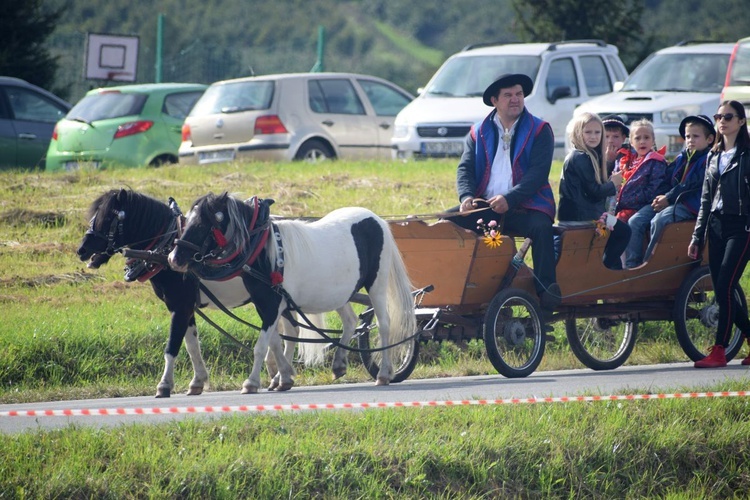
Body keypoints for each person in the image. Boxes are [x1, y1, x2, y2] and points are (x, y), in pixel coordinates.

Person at [450, 73, 560, 318]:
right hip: (486, 208)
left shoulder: (540, 129)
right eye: (508, 95)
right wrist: (466, 197)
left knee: (542, 228)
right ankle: (457, 288)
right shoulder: (477, 132)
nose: (515, 99)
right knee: (446, 223)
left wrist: (510, 199)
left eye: (519, 94)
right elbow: (465, 168)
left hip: (526, 207)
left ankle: (546, 293)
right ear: (494, 101)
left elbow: (538, 175)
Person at [689, 100, 750, 368]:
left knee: (724, 285)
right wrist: (696, 235)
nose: (722, 121)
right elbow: (705, 199)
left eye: (728, 116)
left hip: (742, 226)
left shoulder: (747, 154)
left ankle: (719, 350)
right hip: (715, 225)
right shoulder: (713, 156)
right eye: (719, 116)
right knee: (723, 288)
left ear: (741, 121)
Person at [558, 112, 631, 270]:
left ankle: (611, 278)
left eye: (597, 132)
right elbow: (594, 191)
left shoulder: (583, 155)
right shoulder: (581, 157)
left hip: (581, 213)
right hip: (582, 217)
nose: (593, 136)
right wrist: (614, 184)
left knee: (614, 235)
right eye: (588, 132)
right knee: (624, 231)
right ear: (579, 133)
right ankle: (602, 269)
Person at [643, 115, 715, 261]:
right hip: (674, 200)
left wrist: (668, 198)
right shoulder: (682, 157)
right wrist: (659, 197)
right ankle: (633, 260)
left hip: (691, 204)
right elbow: (667, 179)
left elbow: (690, 184)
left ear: (709, 139)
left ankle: (650, 262)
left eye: (696, 136)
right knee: (637, 220)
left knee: (659, 221)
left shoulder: (708, 160)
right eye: (688, 136)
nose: (690, 140)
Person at [614, 119, 668, 268]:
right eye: (637, 138)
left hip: (650, 204)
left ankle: (633, 264)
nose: (642, 141)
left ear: (653, 140)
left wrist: (627, 202)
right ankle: (614, 263)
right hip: (628, 204)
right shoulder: (627, 161)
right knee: (608, 222)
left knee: (634, 222)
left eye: (646, 138)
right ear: (631, 142)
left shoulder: (655, 161)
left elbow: (653, 190)